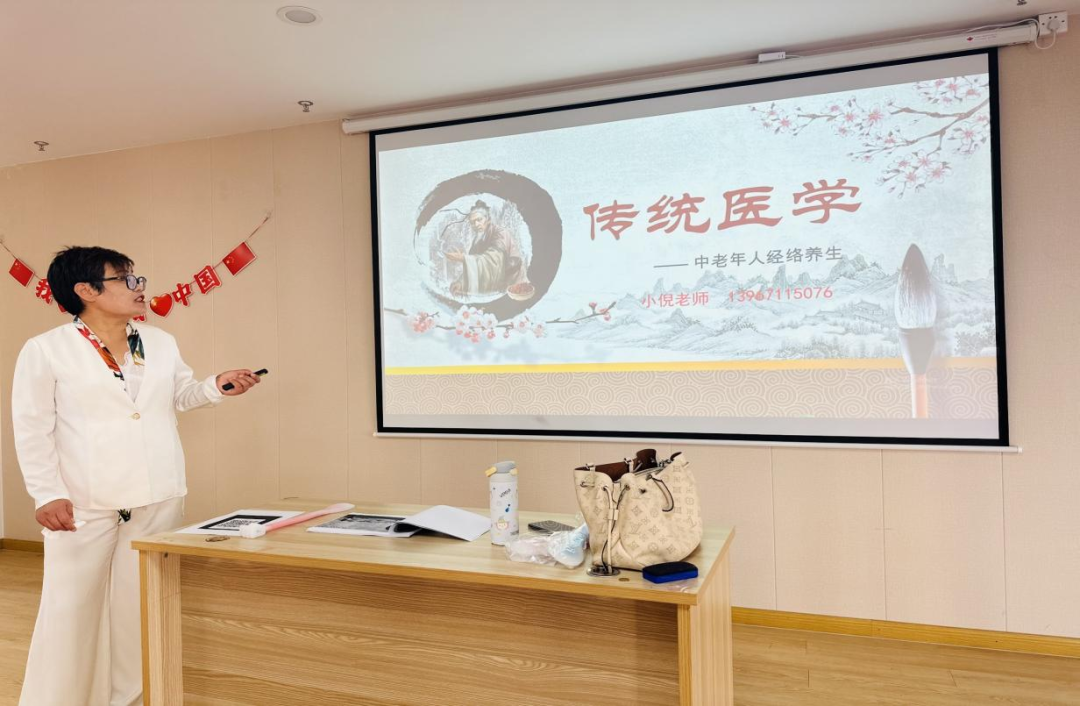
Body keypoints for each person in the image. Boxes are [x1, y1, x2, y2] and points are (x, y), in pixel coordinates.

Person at [11, 246, 262, 706]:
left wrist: (215, 387)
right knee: (71, 609)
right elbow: (31, 427)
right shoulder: (46, 349)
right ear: (85, 290)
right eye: (125, 279)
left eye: (137, 278)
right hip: (84, 500)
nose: (139, 287)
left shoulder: (159, 341)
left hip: (157, 492)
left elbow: (179, 395)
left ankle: (128, 697)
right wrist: (46, 493)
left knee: (139, 607)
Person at [446, 200, 525, 296]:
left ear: (488, 220)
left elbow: (493, 259)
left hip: (512, 286)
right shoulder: (477, 241)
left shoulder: (500, 233)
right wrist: (461, 283)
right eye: (473, 222)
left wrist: (463, 258)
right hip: (493, 287)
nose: (476, 224)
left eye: (479, 219)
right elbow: (473, 267)